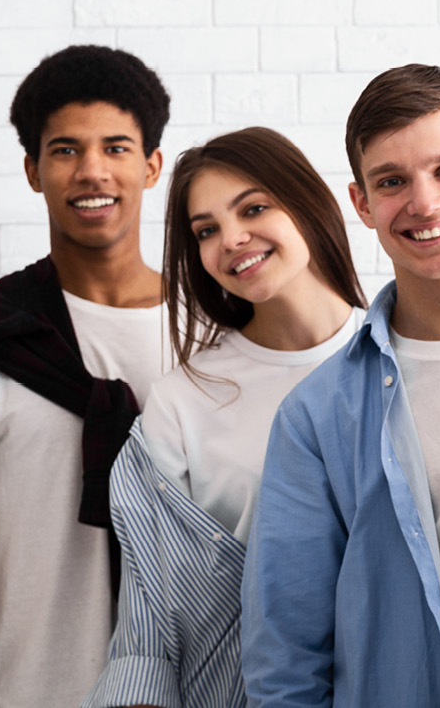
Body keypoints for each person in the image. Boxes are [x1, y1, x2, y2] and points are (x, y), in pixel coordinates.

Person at [241, 64, 440, 707]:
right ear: (363, 203)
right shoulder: (315, 417)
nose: (424, 202)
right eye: (393, 181)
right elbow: (286, 659)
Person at [81, 127, 367, 708]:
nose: (231, 239)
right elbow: (151, 622)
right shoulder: (183, 399)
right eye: (206, 230)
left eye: (253, 208)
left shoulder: (398, 356)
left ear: (310, 205)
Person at [0, 45, 171, 707]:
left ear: (151, 166)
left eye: (116, 147)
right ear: (34, 171)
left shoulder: (216, 334)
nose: (92, 171)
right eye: (65, 150)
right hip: (21, 690)